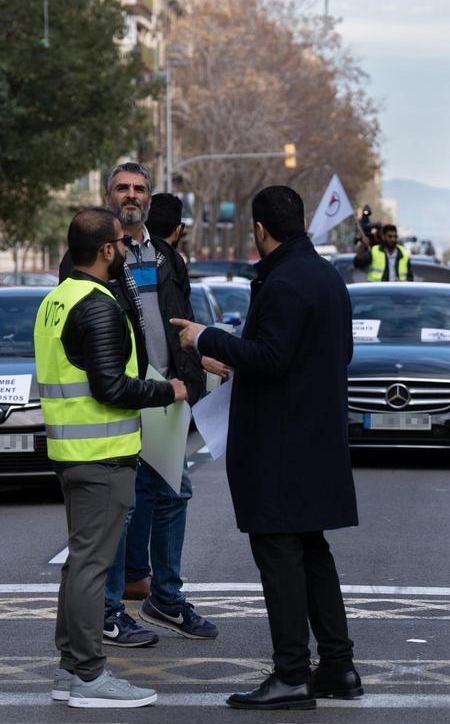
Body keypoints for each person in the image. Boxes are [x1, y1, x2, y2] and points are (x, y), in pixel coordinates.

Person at [171, 185, 361, 710]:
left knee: (279, 558)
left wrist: (203, 339)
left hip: (280, 445)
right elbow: (330, 354)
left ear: (259, 229)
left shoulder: (281, 281)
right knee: (313, 553)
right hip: (316, 439)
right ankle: (339, 668)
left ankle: (292, 676)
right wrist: (239, 356)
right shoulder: (327, 276)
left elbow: (273, 358)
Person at [58, 165, 217, 648]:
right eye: (123, 188)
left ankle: (165, 597)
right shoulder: (88, 256)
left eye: (139, 189)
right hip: (122, 394)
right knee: (121, 506)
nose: (131, 196)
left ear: (149, 198)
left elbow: (180, 320)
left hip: (169, 393)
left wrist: (196, 366)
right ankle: (108, 611)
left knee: (173, 493)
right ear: (108, 194)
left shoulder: (166, 255)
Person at [36, 208, 187, 708]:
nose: (126, 251)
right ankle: (88, 676)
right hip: (101, 456)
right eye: (121, 244)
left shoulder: (57, 299)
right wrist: (168, 390)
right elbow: (110, 385)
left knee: (81, 563)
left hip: (72, 452)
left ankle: (70, 671)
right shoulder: (99, 305)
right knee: (93, 567)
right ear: (105, 250)